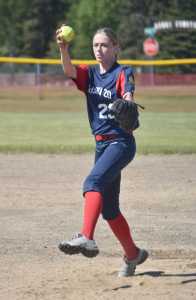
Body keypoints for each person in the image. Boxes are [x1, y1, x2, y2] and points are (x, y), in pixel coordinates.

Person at [56, 26, 148, 277]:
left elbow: (127, 90)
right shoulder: (90, 73)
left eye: (105, 45)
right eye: (96, 45)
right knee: (109, 209)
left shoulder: (122, 71)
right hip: (102, 145)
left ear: (116, 48)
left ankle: (87, 236)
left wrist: (127, 100)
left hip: (121, 142)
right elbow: (69, 71)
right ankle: (133, 255)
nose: (99, 49)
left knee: (93, 181)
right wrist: (63, 49)